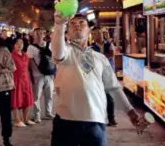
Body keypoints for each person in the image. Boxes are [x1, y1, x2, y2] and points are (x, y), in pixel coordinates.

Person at [51, 13, 146, 146]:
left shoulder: (100, 58)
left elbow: (113, 88)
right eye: (72, 24)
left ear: (89, 30)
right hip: (66, 120)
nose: (77, 25)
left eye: (81, 23)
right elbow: (57, 51)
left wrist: (130, 111)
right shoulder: (65, 52)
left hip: (95, 122)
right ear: (67, 33)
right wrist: (59, 24)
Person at [27, 28, 55, 123]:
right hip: (37, 75)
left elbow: (53, 58)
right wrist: (30, 74)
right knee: (36, 96)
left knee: (49, 95)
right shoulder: (31, 47)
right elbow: (29, 61)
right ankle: (37, 115)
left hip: (49, 74)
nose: (39, 35)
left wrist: (54, 71)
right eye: (37, 34)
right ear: (34, 35)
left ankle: (48, 112)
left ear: (44, 34)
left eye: (41, 33)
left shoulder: (49, 45)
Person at [91, 28, 117, 127]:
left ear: (102, 34)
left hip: (108, 73)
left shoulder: (109, 44)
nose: (97, 35)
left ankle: (111, 118)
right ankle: (99, 118)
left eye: (99, 33)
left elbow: (111, 54)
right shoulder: (92, 47)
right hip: (96, 74)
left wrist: (99, 57)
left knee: (109, 96)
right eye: (95, 34)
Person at [11, 38, 35, 127]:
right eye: (17, 43)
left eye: (21, 43)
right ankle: (17, 120)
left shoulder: (25, 55)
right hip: (16, 80)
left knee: (28, 100)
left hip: (25, 80)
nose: (19, 45)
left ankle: (26, 119)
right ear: (14, 45)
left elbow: (27, 68)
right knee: (16, 100)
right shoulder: (11, 55)